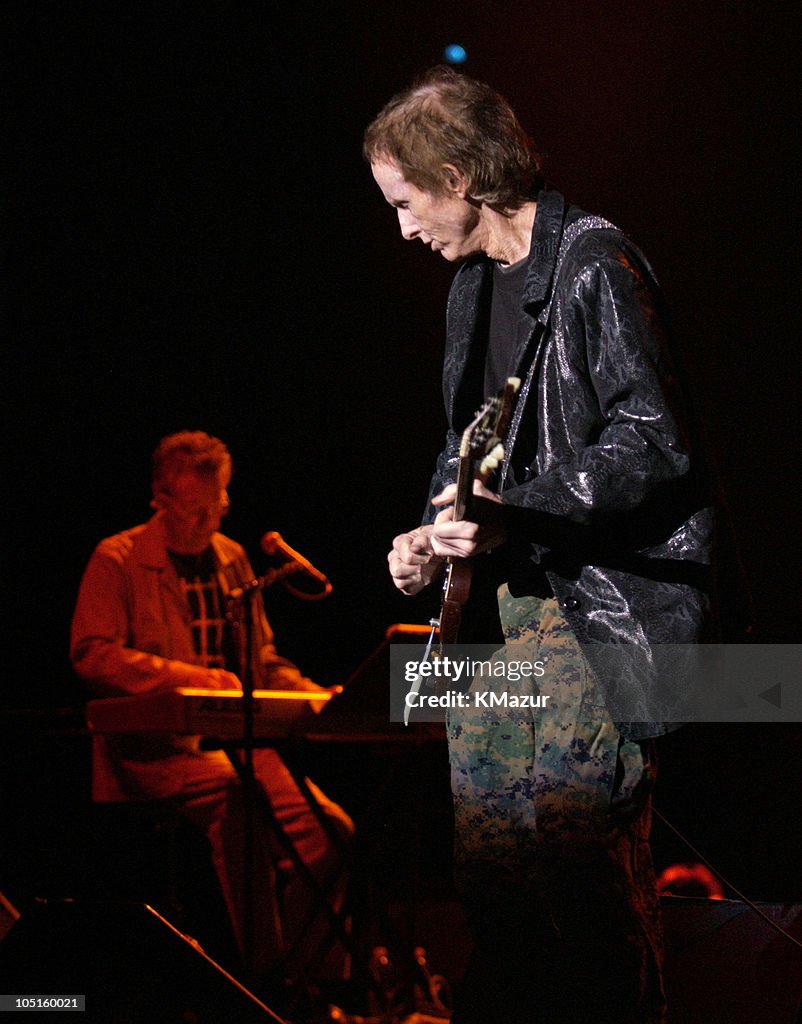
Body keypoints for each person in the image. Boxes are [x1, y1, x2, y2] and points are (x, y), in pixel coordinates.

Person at [365, 67, 714, 1024]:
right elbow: (467, 450)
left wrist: (520, 508)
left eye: (405, 202)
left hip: (590, 615)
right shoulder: (469, 288)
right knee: (495, 883)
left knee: (578, 876)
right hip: (493, 623)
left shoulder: (594, 262)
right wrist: (428, 536)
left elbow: (655, 441)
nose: (402, 228)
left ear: (458, 174)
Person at [71, 430, 353, 991]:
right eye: (195, 511)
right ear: (161, 498)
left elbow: (260, 662)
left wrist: (320, 696)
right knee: (239, 801)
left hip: (238, 744)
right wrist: (187, 678)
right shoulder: (118, 558)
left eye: (217, 506)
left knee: (333, 835)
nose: (208, 523)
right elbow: (91, 653)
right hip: (157, 751)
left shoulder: (231, 558)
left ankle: (316, 985)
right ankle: (265, 983)